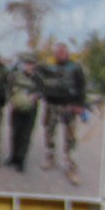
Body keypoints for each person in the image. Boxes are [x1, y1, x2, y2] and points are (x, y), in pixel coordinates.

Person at [36, 39, 91, 182]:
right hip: (51, 105)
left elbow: (81, 87)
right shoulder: (49, 66)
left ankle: (70, 166)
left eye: (62, 52)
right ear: (54, 54)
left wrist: (80, 105)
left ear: (67, 53)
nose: (60, 54)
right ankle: (50, 157)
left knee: (70, 137)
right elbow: (41, 81)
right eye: (57, 52)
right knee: (49, 131)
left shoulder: (75, 68)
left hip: (69, 106)